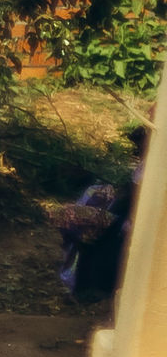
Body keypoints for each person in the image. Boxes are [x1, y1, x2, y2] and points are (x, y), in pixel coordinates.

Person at [62, 127, 146, 301]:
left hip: (132, 215)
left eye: (139, 144)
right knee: (88, 237)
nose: (137, 149)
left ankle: (97, 290)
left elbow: (138, 195)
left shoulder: (151, 168)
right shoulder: (143, 164)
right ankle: (84, 288)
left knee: (107, 246)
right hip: (123, 211)